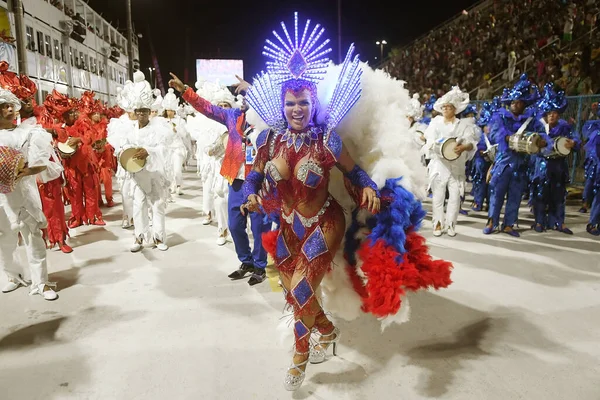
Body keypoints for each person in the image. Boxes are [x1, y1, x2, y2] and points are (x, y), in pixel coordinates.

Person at [236, 13, 452, 391]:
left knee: (302, 289)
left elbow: (355, 173)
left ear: (312, 101)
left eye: (303, 102)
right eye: (290, 103)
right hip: (287, 222)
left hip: (325, 221)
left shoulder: (328, 142)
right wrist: (253, 192)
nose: (297, 110)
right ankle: (325, 328)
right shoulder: (268, 142)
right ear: (282, 104)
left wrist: (368, 188)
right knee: (290, 289)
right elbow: (254, 174)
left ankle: (300, 357)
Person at [169, 74, 270, 286]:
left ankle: (260, 266)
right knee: (234, 224)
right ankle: (247, 262)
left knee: (260, 226)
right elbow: (207, 108)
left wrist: (252, 87)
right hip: (236, 179)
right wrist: (185, 91)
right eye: (244, 97)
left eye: (250, 96)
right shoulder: (232, 116)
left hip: (259, 181)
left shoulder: (267, 121)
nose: (245, 100)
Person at [0, 62, 72, 253]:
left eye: (31, 99)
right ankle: (43, 237)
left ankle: (59, 238)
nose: (30, 103)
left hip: (45, 168)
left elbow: (62, 134)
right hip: (21, 175)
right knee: (32, 210)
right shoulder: (12, 126)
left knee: (54, 204)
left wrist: (51, 131)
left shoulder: (44, 116)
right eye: (24, 101)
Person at [0, 88, 62, 300]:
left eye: (10, 106)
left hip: (24, 192)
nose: (9, 109)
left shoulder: (28, 132)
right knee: (3, 239)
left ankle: (41, 282)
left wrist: (24, 171)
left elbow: (40, 163)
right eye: (3, 107)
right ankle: (12, 276)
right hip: (1, 197)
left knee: (33, 236)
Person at [116, 71, 174, 252]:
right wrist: (125, 154)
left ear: (150, 112)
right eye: (138, 111)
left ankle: (159, 238)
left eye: (144, 111)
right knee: (138, 206)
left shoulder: (159, 128)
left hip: (154, 174)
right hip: (137, 175)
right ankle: (139, 237)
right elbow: (120, 148)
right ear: (135, 112)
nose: (141, 114)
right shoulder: (128, 129)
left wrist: (149, 151)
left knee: (157, 206)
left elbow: (164, 149)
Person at [484, 74, 545, 237]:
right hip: (503, 163)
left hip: (521, 164)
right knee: (496, 194)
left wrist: (542, 142)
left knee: (515, 196)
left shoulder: (532, 121)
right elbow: (494, 133)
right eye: (512, 102)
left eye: (518, 102)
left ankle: (509, 224)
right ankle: (492, 222)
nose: (515, 105)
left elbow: (541, 135)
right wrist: (506, 137)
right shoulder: (501, 117)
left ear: (524, 104)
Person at [423, 87, 479, 237]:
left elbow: (471, 143)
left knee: (455, 197)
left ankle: (451, 224)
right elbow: (429, 140)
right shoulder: (436, 122)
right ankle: (438, 223)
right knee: (438, 196)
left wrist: (463, 147)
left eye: (449, 107)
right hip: (439, 164)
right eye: (444, 107)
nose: (446, 109)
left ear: (455, 109)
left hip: (457, 166)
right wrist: (438, 147)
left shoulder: (463, 124)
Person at [45, 91, 105, 228]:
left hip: (86, 163)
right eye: (67, 114)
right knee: (74, 194)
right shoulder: (60, 128)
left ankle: (93, 216)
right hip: (71, 166)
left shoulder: (84, 123)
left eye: (72, 112)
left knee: (90, 191)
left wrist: (79, 139)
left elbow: (91, 137)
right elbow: (56, 135)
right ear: (63, 116)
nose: (71, 115)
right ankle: (77, 217)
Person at [530, 83, 579, 234]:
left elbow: (575, 138)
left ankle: (558, 222)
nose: (552, 115)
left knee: (558, 194)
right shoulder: (538, 126)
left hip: (558, 165)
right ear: (545, 114)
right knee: (540, 193)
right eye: (549, 113)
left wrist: (574, 142)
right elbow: (530, 142)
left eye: (555, 112)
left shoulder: (564, 126)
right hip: (542, 165)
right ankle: (539, 221)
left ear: (559, 114)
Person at [107, 86, 138, 229]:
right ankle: (127, 216)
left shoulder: (142, 122)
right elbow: (115, 142)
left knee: (139, 191)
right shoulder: (119, 123)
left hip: (139, 161)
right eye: (132, 111)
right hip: (125, 162)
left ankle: (139, 216)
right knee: (125, 191)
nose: (135, 113)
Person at [161, 88, 192, 196]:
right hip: (167, 148)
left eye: (171, 110)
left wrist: (177, 130)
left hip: (178, 148)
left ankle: (179, 186)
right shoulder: (162, 121)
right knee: (169, 169)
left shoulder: (180, 121)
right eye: (168, 110)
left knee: (177, 169)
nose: (169, 112)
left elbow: (186, 134)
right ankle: (172, 185)